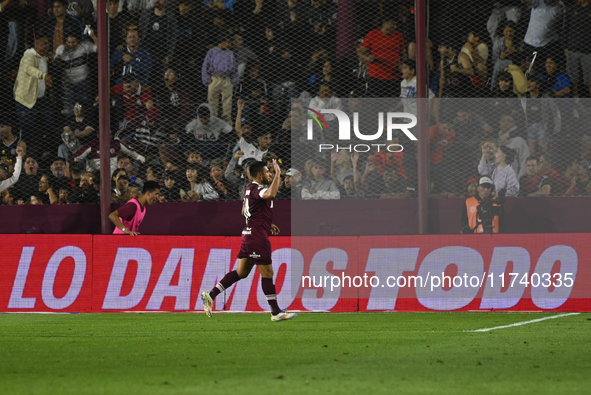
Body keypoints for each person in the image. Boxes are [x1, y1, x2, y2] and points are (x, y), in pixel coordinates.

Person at [201, 160, 297, 321]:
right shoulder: (258, 189)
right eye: (268, 172)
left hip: (248, 235)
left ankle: (210, 295)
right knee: (268, 273)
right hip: (257, 238)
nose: (270, 174)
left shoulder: (249, 189)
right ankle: (275, 312)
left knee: (241, 272)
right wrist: (278, 174)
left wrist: (266, 221)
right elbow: (270, 194)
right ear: (259, 175)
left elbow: (244, 210)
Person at [357, 15, 406, 98]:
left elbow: (403, 53)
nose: (395, 26)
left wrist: (403, 65)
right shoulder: (372, 34)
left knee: (392, 101)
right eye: (392, 24)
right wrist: (367, 58)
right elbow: (360, 52)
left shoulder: (398, 35)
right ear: (384, 23)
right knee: (376, 102)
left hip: (394, 74)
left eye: (395, 24)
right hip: (376, 75)